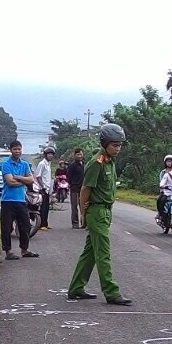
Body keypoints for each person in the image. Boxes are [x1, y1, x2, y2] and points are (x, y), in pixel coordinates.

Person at [67, 123, 132, 305]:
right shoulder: (97, 163)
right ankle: (111, 292)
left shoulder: (110, 162)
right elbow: (85, 189)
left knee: (90, 253)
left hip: (106, 211)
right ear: (104, 144)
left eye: (120, 145)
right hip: (96, 211)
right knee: (103, 253)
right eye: (114, 145)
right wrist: (83, 212)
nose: (118, 149)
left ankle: (76, 288)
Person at [0, 140, 39, 261]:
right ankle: (8, 251)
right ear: (11, 150)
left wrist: (18, 177)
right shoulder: (6, 164)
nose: (17, 151)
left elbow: (31, 180)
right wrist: (24, 180)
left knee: (26, 225)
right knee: (6, 227)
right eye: (15, 149)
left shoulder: (25, 164)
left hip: (21, 200)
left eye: (19, 149)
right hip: (7, 200)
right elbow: (10, 182)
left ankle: (24, 249)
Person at [33, 147, 55, 230]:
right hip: (43, 189)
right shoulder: (42, 164)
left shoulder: (48, 164)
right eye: (49, 154)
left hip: (47, 188)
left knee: (46, 207)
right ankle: (41, 224)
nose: (50, 156)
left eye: (51, 154)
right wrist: (42, 187)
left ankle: (45, 223)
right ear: (45, 155)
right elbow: (38, 176)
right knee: (43, 207)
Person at [67, 147, 85, 228]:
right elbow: (68, 177)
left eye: (81, 154)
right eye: (78, 154)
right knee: (74, 207)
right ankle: (75, 223)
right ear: (75, 155)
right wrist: (72, 184)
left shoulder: (84, 164)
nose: (79, 156)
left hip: (83, 189)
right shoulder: (72, 166)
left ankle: (84, 223)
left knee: (83, 207)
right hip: (74, 188)